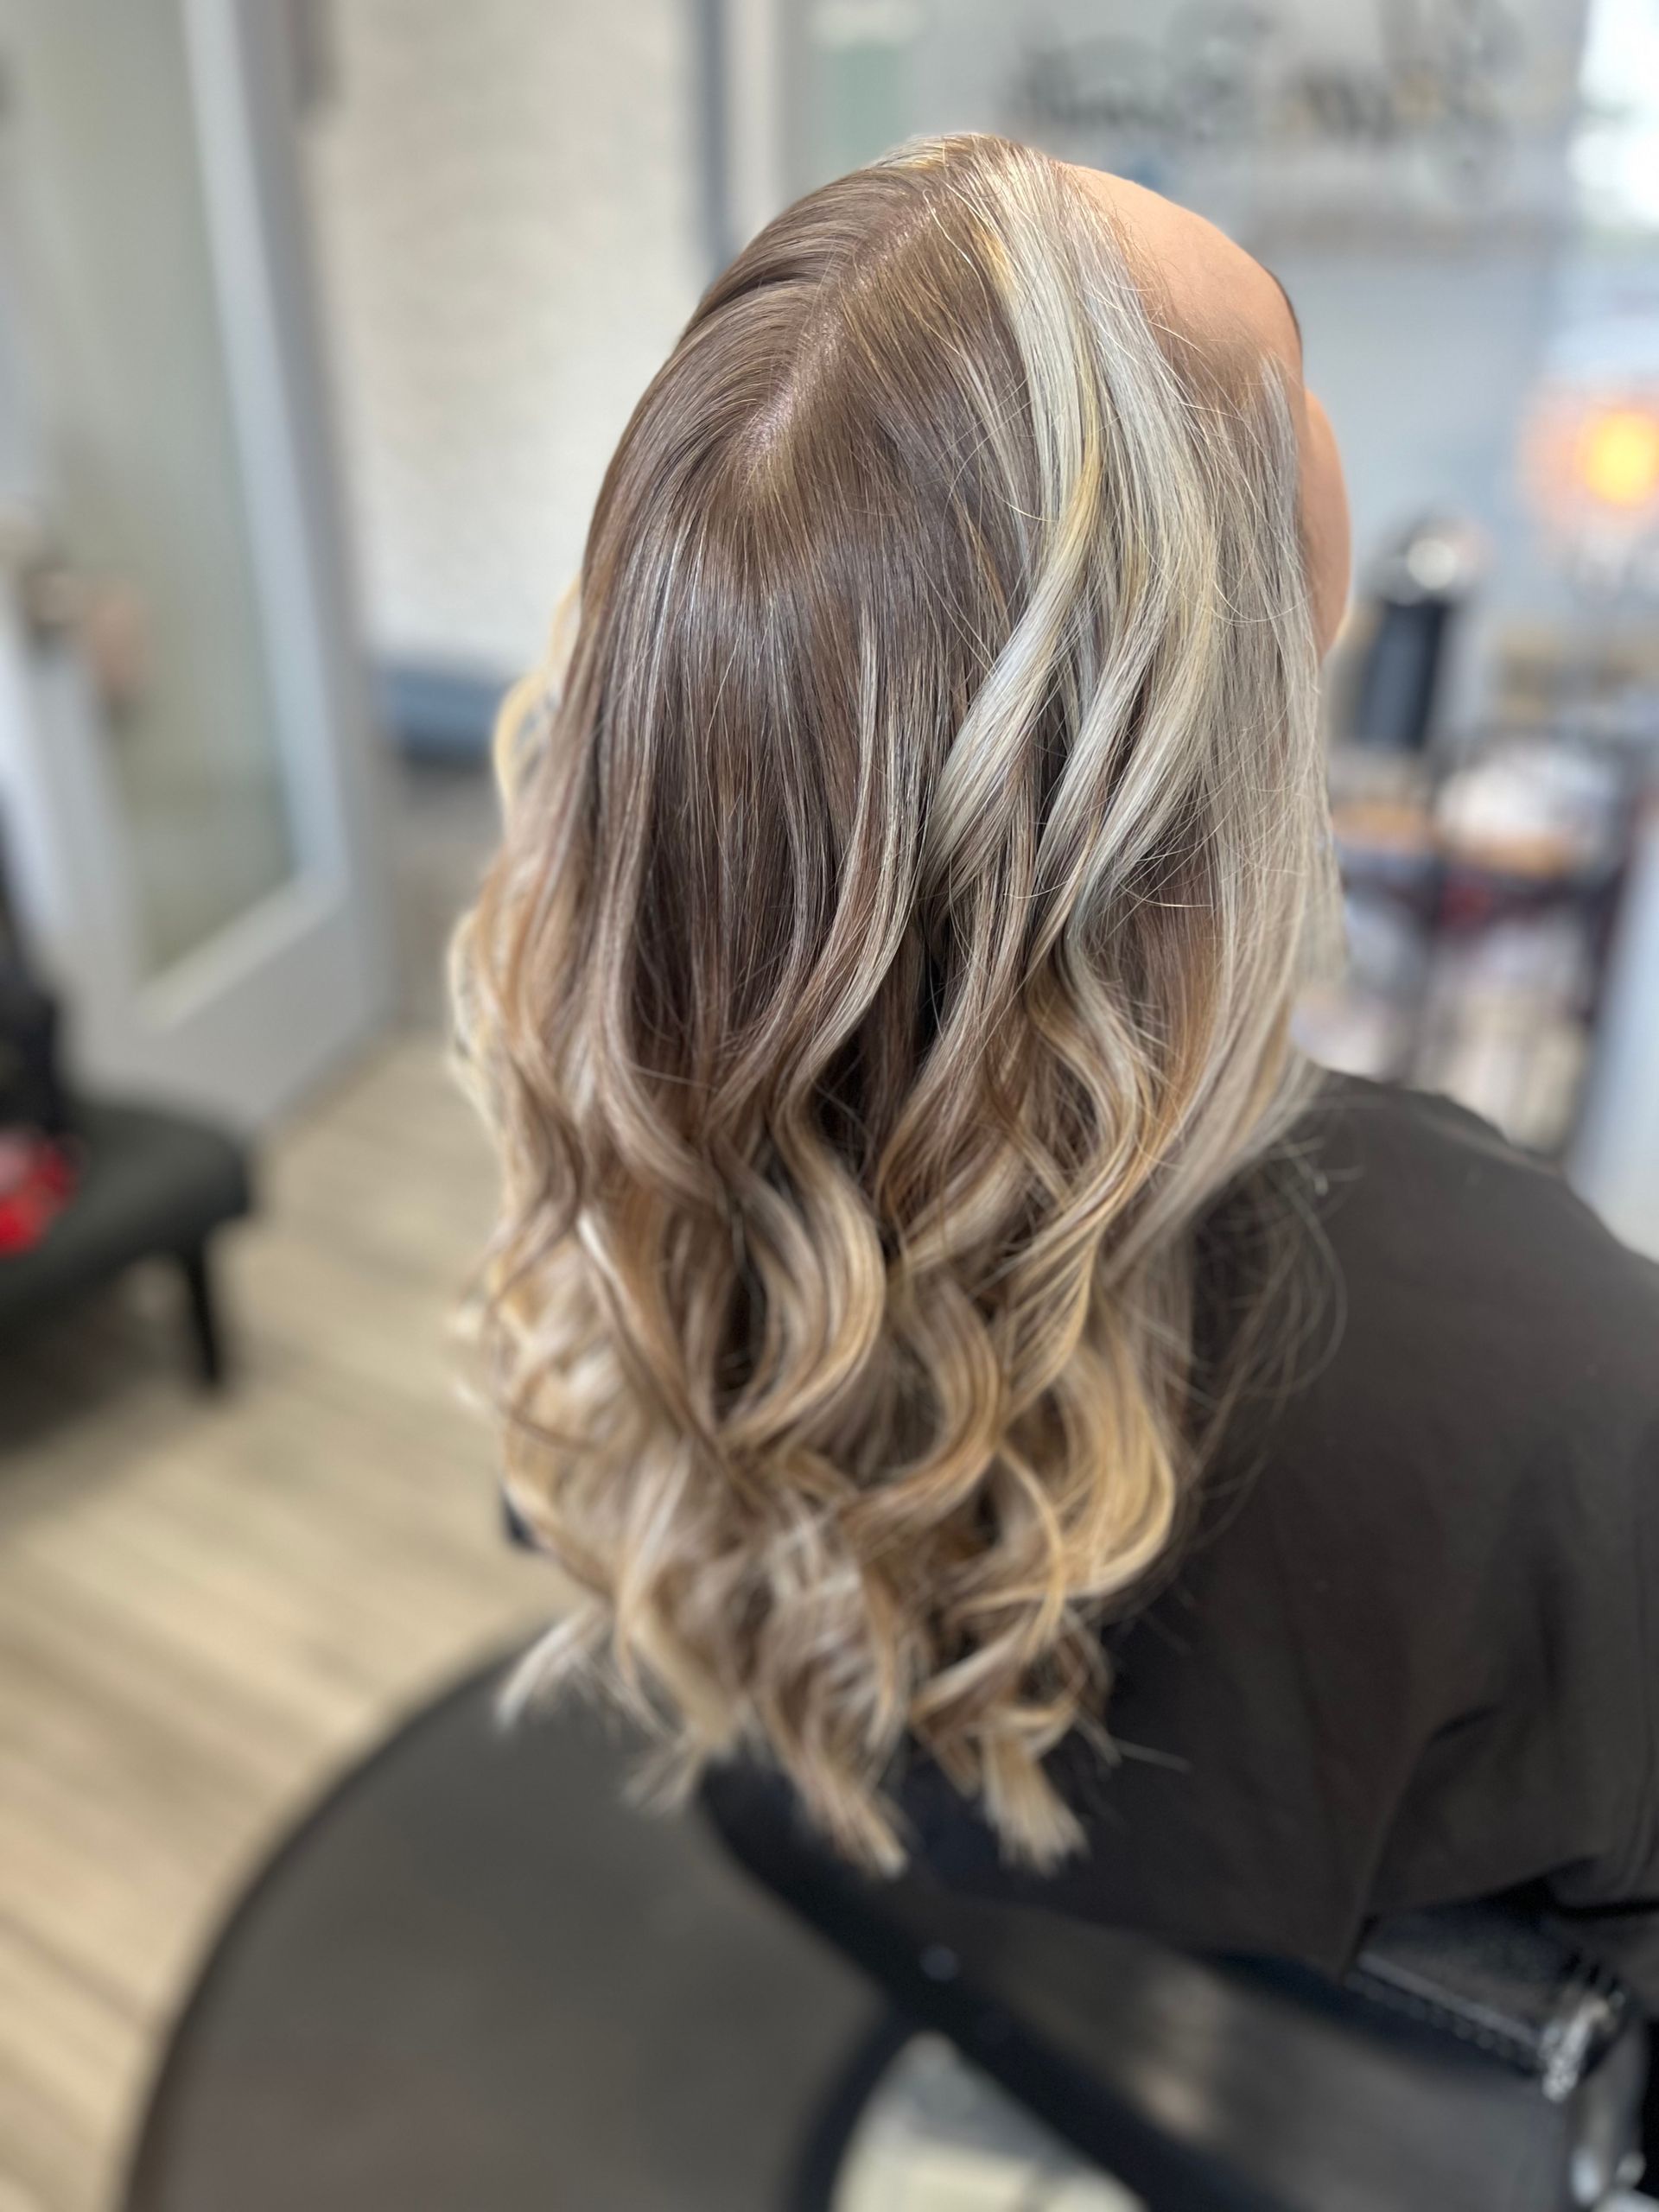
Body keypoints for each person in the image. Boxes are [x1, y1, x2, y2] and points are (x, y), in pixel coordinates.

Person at [451, 135, 1659, 2031]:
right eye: (1299, 373)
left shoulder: (606, 1162)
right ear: (1241, 675)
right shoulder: (1558, 1383)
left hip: (929, 1938)